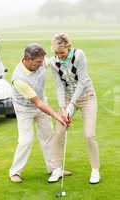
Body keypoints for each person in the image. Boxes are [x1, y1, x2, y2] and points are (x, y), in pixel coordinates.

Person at [9, 43, 69, 183]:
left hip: (41, 103)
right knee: (26, 140)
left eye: (42, 61)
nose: (42, 64)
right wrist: (57, 116)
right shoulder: (19, 79)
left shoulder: (41, 62)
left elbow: (55, 60)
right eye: (38, 62)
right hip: (24, 109)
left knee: (48, 136)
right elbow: (38, 104)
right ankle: (15, 172)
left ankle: (54, 169)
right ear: (27, 59)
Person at [48, 33, 100, 184]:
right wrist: (63, 107)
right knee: (58, 132)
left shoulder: (79, 55)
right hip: (67, 99)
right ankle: (57, 169)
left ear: (68, 47)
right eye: (56, 53)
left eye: (62, 53)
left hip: (86, 97)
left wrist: (71, 105)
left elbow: (82, 82)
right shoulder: (53, 62)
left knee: (89, 135)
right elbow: (59, 86)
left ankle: (95, 170)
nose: (60, 56)